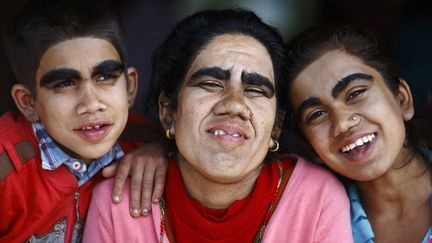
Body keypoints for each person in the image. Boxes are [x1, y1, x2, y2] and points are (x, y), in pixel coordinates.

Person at [83, 9, 353, 243]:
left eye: (256, 90)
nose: (234, 104)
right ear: (167, 112)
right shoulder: (118, 200)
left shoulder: (316, 199)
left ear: (276, 126)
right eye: (211, 84)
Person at [0, 0, 166, 242]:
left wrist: (164, 149)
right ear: (28, 102)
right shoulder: (6, 167)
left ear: (130, 87)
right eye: (64, 84)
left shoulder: (147, 142)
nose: (91, 103)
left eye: (106, 76)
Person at [284, 24, 432, 243]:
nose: (342, 123)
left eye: (355, 93)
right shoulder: (313, 230)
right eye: (316, 115)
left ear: (402, 100)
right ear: (311, 146)